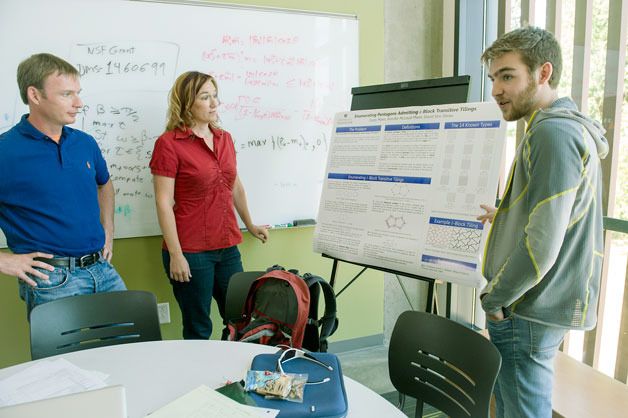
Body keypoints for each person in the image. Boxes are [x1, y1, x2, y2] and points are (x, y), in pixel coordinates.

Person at [477, 26, 608, 418]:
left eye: (508, 75)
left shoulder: (552, 133)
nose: (497, 90)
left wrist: (494, 299)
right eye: (494, 78)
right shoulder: (557, 126)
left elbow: (543, 243)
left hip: (527, 308)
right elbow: (554, 213)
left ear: (543, 73)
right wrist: (505, 215)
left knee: (523, 412)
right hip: (536, 304)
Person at [0, 53, 126, 317]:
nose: (78, 103)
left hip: (102, 269)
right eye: (67, 94)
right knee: (68, 360)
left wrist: (109, 228)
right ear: (34, 95)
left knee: (131, 351)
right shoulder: (5, 151)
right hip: (52, 280)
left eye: (78, 93)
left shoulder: (85, 143)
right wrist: (4, 261)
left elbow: (104, 184)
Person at [150, 71, 268, 340]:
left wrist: (249, 224)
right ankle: (199, 380)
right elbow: (163, 201)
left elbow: (234, 185)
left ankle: (231, 377)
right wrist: (177, 255)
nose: (214, 103)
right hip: (191, 251)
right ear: (186, 102)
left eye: (215, 95)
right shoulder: (169, 144)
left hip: (227, 247)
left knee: (240, 320)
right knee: (198, 326)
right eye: (205, 97)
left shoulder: (224, 138)